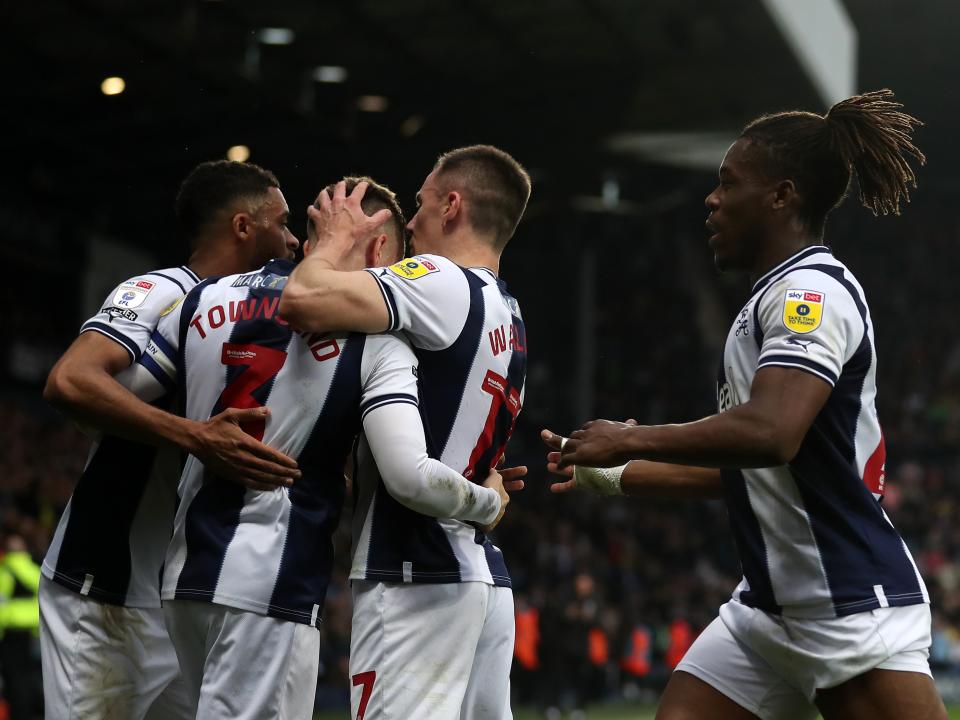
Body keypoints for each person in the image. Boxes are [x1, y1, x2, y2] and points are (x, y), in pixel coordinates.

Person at [542, 89, 947, 720]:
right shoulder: (769, 298)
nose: (711, 199)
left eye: (728, 183)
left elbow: (771, 434)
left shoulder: (809, 294)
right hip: (767, 607)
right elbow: (746, 475)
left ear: (782, 195)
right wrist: (613, 475)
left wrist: (632, 438)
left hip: (844, 601)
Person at [133, 176, 519, 719]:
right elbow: (409, 472)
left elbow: (118, 400)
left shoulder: (202, 298)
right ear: (378, 248)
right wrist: (487, 498)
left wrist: (193, 434)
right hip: (276, 582)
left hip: (182, 577)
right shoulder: (377, 340)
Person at [40, 160, 302, 720]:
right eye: (281, 223)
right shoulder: (160, 290)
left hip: (183, 593)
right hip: (105, 590)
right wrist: (195, 437)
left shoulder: (256, 318)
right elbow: (69, 380)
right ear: (242, 226)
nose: (293, 239)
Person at [279, 145, 532, 719]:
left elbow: (303, 299)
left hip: (416, 573)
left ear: (452, 205)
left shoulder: (441, 279)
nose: (411, 223)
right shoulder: (509, 312)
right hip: (478, 577)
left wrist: (334, 241)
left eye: (420, 203)